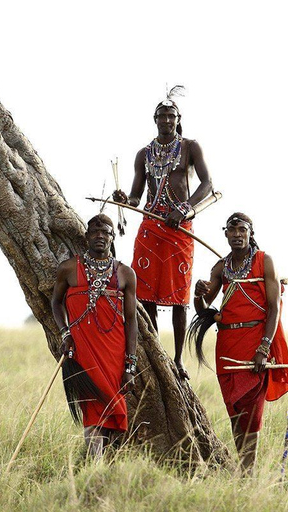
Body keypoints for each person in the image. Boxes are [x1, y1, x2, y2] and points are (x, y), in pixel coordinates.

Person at [113, 92, 212, 380]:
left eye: (172, 116)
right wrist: (124, 199)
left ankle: (179, 359)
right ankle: (156, 351)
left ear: (178, 121)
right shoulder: (143, 154)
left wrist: (185, 210)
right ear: (154, 121)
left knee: (180, 295)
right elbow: (135, 197)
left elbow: (207, 184)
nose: (167, 120)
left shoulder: (190, 148)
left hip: (178, 229)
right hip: (151, 228)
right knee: (146, 296)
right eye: (162, 116)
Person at [187, 213, 288, 475]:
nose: (237, 234)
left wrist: (264, 348)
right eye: (231, 230)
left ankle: (248, 472)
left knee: (251, 411)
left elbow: (273, 308)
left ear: (250, 232)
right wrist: (198, 294)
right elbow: (203, 309)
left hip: (255, 345)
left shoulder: (265, 261)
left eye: (241, 230)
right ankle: (244, 467)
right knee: (234, 408)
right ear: (225, 234)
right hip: (227, 346)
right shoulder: (221, 267)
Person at [51, 214, 138, 458]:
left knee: (112, 408)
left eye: (106, 232)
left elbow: (131, 321)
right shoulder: (69, 269)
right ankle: (94, 465)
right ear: (87, 237)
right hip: (83, 351)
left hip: (114, 353)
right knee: (92, 407)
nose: (100, 236)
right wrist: (65, 332)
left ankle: (101, 464)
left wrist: (130, 364)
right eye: (95, 232)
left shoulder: (125, 274)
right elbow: (56, 303)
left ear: (112, 238)